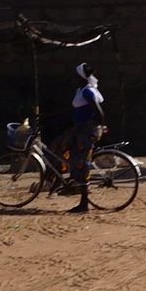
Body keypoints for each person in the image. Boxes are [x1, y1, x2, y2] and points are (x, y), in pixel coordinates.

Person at [64, 63, 105, 209]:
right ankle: (77, 193)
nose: (74, 78)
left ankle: (84, 203)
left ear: (81, 77)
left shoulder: (88, 92)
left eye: (76, 76)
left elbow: (99, 111)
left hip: (86, 131)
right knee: (75, 158)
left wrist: (99, 126)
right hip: (80, 130)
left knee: (82, 163)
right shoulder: (80, 90)